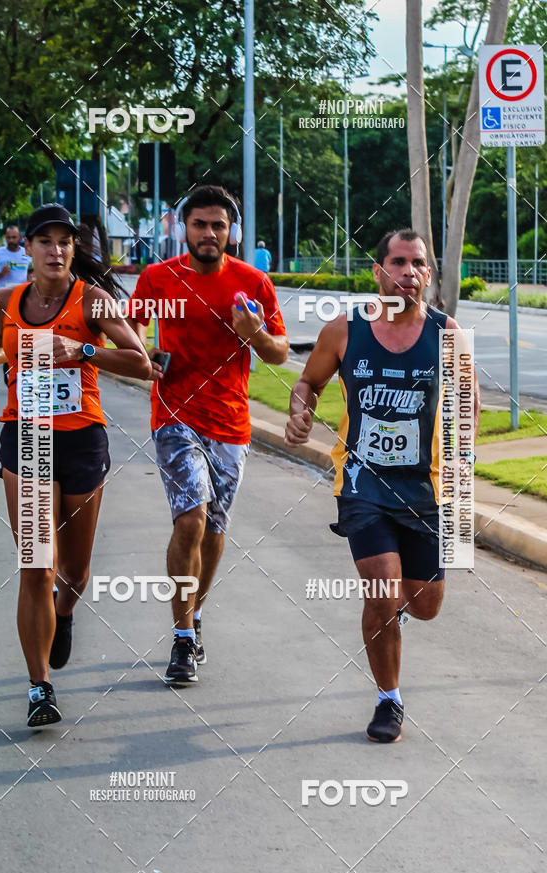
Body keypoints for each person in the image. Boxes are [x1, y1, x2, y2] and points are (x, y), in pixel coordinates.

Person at [0, 203, 152, 727]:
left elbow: (144, 365)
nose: (55, 249)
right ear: (29, 249)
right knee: (36, 565)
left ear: (73, 249)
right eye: (44, 240)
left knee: (75, 570)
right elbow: (13, 346)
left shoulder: (95, 302)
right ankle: (39, 686)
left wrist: (82, 350)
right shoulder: (7, 299)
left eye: (64, 241)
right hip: (25, 438)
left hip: (82, 439)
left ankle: (64, 613)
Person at [285, 229, 481, 743]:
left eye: (419, 264)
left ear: (428, 274)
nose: (409, 273)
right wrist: (300, 412)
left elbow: (470, 408)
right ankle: (388, 699)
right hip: (362, 484)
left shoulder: (448, 335)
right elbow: (308, 383)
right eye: (398, 262)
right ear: (378, 271)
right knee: (380, 587)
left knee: (425, 605)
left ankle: (398, 607)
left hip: (428, 490)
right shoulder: (345, 331)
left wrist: (463, 477)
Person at [129, 184, 289, 686]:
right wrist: (143, 355)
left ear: (232, 232)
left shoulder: (252, 283)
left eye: (218, 225)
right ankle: (180, 639)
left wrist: (254, 334)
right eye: (199, 224)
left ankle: (194, 617)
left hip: (231, 423)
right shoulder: (158, 278)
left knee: (215, 531)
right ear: (184, 228)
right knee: (191, 519)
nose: (209, 233)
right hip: (174, 415)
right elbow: (127, 327)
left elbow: (280, 353)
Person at [0, 225, 32, 291]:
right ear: (5, 238)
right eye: (8, 237)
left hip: (21, 297)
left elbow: (33, 274)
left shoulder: (27, 253)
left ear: (20, 238)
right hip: (2, 297)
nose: (11, 240)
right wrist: (0, 274)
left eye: (14, 237)